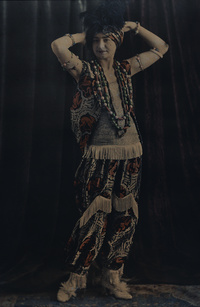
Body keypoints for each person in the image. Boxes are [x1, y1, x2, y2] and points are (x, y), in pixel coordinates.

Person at [51, 1, 169, 302]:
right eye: (97, 41)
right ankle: (75, 279)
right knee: (92, 217)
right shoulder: (84, 70)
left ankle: (112, 278)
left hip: (131, 152)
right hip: (98, 154)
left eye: (108, 40)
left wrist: (134, 28)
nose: (102, 46)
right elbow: (58, 45)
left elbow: (161, 48)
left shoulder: (127, 68)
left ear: (117, 42)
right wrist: (86, 33)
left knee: (125, 216)